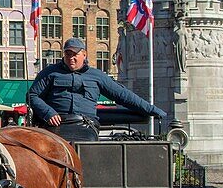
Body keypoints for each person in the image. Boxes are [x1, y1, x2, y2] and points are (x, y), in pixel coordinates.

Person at [27, 37, 165, 143]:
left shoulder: (97, 76)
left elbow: (123, 95)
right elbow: (32, 95)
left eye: (75, 54)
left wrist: (153, 111)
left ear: (84, 55)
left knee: (88, 149)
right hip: (56, 124)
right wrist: (48, 112)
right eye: (68, 54)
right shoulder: (50, 73)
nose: (71, 58)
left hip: (85, 124)